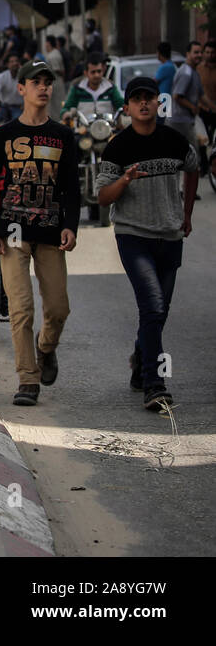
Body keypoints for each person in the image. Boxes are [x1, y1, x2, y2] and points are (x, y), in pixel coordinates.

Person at [96, 77, 200, 412]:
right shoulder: (118, 147)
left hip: (170, 236)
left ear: (159, 103)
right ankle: (155, 385)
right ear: (126, 108)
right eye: (136, 99)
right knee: (153, 307)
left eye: (149, 98)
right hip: (133, 236)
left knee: (160, 312)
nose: (143, 104)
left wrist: (186, 214)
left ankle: (141, 363)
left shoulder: (174, 141)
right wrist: (125, 180)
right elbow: (101, 197)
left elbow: (194, 167)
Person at [0, 60, 80, 406]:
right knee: (21, 308)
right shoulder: (5, 135)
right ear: (20, 88)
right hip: (13, 233)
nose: (43, 87)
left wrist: (71, 224)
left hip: (51, 233)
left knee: (58, 308)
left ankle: (46, 348)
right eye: (35, 82)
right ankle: (27, 379)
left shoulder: (63, 135)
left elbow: (71, 186)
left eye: (47, 82)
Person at [168, 41, 205, 145]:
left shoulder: (194, 72)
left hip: (188, 119)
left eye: (201, 52)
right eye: (196, 52)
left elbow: (202, 95)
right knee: (191, 154)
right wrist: (193, 107)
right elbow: (177, 96)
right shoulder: (186, 73)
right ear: (188, 54)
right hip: (180, 120)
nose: (199, 55)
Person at [0, 53, 23, 123]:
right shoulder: (2, 77)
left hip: (17, 107)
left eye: (16, 61)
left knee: (18, 123)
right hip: (4, 106)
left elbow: (28, 92)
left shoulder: (23, 77)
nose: (15, 63)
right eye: (12, 61)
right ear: (7, 65)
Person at [197, 40, 216, 142]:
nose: (210, 55)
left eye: (212, 52)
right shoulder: (199, 68)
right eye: (207, 52)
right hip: (202, 108)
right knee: (203, 140)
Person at [42, 35, 66, 111]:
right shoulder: (54, 53)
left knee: (56, 106)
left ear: (48, 43)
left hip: (56, 84)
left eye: (45, 43)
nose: (45, 45)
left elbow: (58, 70)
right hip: (55, 83)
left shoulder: (53, 56)